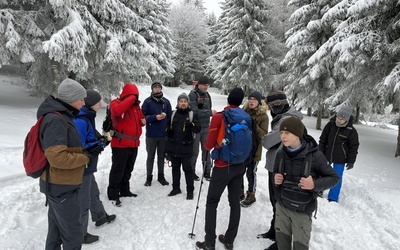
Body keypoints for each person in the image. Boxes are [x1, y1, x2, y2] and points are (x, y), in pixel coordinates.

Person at [37, 78, 89, 249]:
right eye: (81, 98)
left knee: (56, 232)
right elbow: (57, 158)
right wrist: (85, 158)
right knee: (73, 236)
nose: (83, 102)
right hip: (61, 187)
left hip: (58, 184)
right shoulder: (56, 119)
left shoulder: (61, 116)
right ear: (71, 98)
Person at [273, 117, 339, 250]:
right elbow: (276, 172)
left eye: (287, 133)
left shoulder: (315, 155)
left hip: (302, 211)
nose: (283, 136)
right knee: (282, 245)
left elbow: (334, 178)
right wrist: (276, 178)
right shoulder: (281, 153)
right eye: (281, 133)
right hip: (282, 207)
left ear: (297, 134)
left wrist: (314, 184)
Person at [196, 88, 249, 250]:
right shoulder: (246, 117)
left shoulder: (220, 116)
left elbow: (209, 144)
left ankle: (210, 243)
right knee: (234, 203)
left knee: (212, 202)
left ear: (228, 99)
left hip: (222, 166)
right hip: (239, 165)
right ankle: (229, 240)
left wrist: (208, 146)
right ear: (241, 101)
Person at [260, 91, 303, 250]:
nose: (271, 108)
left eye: (272, 106)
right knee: (275, 201)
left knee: (282, 204)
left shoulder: (287, 121)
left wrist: (265, 137)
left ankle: (281, 243)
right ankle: (274, 230)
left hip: (283, 169)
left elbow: (268, 141)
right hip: (278, 166)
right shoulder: (284, 118)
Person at [73, 90, 117, 244]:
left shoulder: (88, 118)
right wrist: (96, 146)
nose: (101, 104)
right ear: (91, 103)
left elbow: (93, 140)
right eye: (98, 101)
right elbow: (78, 145)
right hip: (83, 166)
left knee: (93, 191)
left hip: (89, 165)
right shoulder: (81, 120)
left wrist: (104, 140)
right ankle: (81, 234)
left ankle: (100, 216)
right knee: (83, 200)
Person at [107, 82, 146, 207]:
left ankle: (124, 190)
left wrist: (143, 121)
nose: (135, 98)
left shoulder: (136, 107)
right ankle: (113, 193)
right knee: (118, 170)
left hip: (133, 143)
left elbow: (140, 120)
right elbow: (117, 112)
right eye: (133, 95)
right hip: (120, 144)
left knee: (128, 169)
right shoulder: (115, 103)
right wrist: (130, 99)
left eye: (136, 95)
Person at [319, 105, 359, 202]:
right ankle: (318, 190)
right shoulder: (330, 125)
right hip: (327, 155)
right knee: (321, 173)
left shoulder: (351, 131)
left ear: (347, 119)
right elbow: (322, 140)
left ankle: (333, 197)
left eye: (341, 119)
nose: (338, 120)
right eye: (338, 117)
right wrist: (320, 153)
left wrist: (351, 161)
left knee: (337, 177)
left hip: (340, 158)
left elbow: (354, 147)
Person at [166, 93, 200, 199]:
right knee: (175, 169)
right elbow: (167, 127)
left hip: (186, 147)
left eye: (185, 101)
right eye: (181, 101)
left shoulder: (192, 114)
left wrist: (192, 125)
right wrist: (168, 131)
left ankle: (190, 190)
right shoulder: (172, 114)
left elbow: (198, 128)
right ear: (178, 103)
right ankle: (176, 188)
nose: (183, 103)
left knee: (187, 170)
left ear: (188, 103)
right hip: (174, 147)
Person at [240, 91, 269, 207]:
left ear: (259, 102)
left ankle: (251, 194)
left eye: (255, 99)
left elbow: (264, 135)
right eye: (250, 99)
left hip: (254, 150)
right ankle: (240, 190)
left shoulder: (263, 116)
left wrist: (253, 125)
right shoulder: (243, 112)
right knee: (239, 171)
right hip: (242, 148)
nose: (252, 101)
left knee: (251, 173)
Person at [142, 82, 172, 186]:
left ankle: (161, 176)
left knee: (161, 156)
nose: (157, 89)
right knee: (150, 156)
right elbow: (143, 117)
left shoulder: (166, 102)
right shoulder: (147, 102)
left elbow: (169, 118)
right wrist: (155, 117)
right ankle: (148, 177)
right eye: (155, 87)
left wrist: (168, 130)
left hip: (163, 135)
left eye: (159, 87)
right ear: (152, 89)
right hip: (151, 135)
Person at [189, 75, 217, 181]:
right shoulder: (193, 95)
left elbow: (208, 108)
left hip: (206, 126)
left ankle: (207, 171)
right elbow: (194, 112)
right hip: (196, 127)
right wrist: (209, 113)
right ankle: (191, 171)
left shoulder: (208, 95)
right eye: (204, 85)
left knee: (206, 150)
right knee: (194, 151)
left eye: (207, 85)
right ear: (198, 85)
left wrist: (209, 114)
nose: (206, 87)